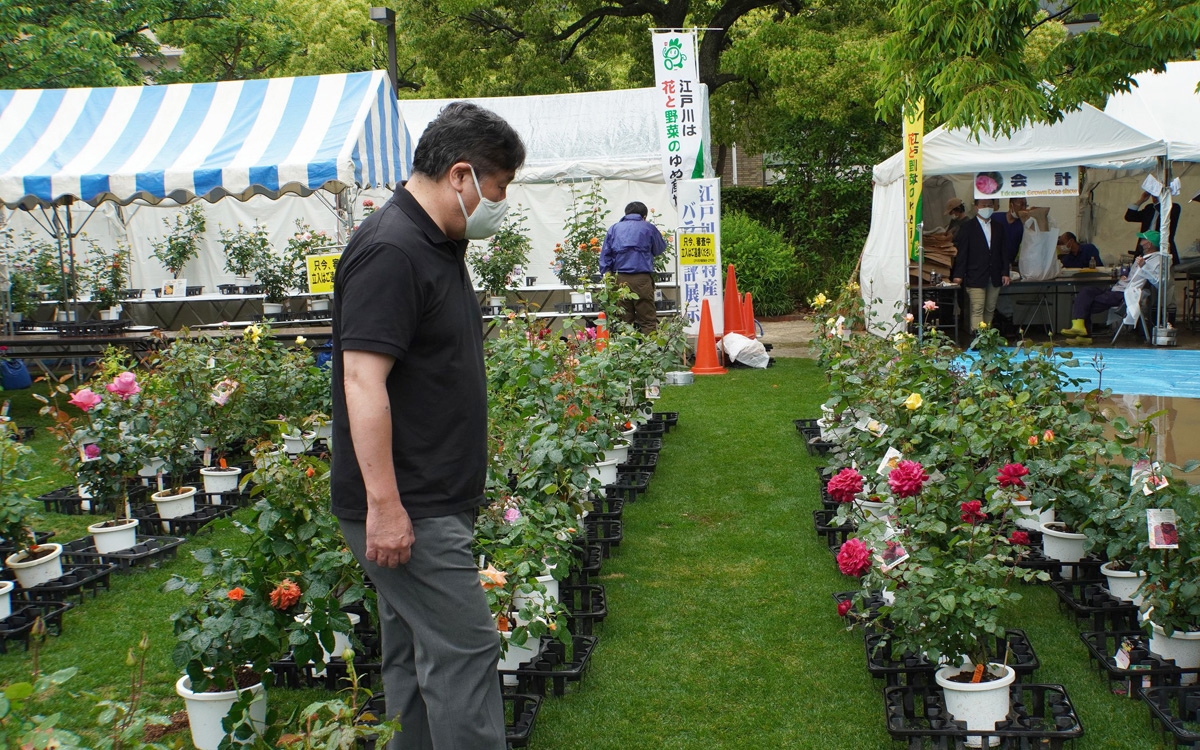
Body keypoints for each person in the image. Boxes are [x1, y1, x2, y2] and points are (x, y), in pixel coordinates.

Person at [330, 101, 524, 750]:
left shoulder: (436, 241)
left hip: (428, 499)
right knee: (466, 653)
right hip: (410, 504)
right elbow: (363, 382)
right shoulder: (391, 248)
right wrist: (385, 508)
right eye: (501, 189)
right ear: (462, 176)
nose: (502, 203)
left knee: (416, 662)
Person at [1061, 231, 1163, 343]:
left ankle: (1083, 334)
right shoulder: (1142, 258)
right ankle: (1079, 327)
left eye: (1143, 240)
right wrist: (1125, 277)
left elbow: (1158, 282)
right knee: (1086, 291)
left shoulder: (1156, 260)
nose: (1140, 243)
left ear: (1149, 244)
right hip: (1118, 288)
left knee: (1084, 302)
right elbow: (1133, 276)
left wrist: (1144, 267)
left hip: (1124, 293)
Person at [598, 201, 667, 333]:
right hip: (642, 279)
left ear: (626, 214)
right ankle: (649, 351)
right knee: (647, 319)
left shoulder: (614, 228)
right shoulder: (648, 228)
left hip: (619, 279)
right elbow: (659, 249)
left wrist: (607, 275)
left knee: (623, 320)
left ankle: (625, 351)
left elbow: (605, 255)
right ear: (644, 216)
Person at [952, 198, 1010, 331]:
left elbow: (1003, 252)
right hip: (975, 275)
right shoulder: (967, 227)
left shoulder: (999, 227)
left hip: (994, 274)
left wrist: (1006, 272)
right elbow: (962, 253)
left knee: (990, 308)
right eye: (984, 205)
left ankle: (987, 337)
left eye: (990, 205)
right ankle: (979, 337)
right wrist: (958, 275)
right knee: (977, 308)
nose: (987, 208)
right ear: (976, 207)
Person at [1125, 189, 1181, 265]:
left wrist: (1160, 199)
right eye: (1153, 195)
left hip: (1162, 247)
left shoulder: (1173, 207)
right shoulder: (1149, 208)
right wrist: (1141, 200)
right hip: (1146, 247)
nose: (1154, 197)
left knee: (1164, 273)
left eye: (1157, 195)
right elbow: (1129, 217)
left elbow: (1164, 211)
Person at [996, 197, 1027, 264]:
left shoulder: (1023, 225)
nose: (1024, 208)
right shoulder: (995, 218)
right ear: (1011, 205)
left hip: (1009, 262)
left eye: (1025, 205)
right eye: (1021, 205)